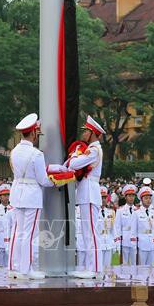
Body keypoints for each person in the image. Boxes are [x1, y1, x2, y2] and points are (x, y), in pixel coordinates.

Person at [8, 113, 54, 280]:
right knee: (29, 233)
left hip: (17, 192)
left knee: (17, 232)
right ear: (34, 133)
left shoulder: (14, 151)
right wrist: (58, 181)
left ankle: (13, 267)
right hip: (32, 195)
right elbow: (43, 180)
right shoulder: (36, 154)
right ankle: (26, 269)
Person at [65, 115, 106, 278]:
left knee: (90, 233)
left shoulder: (94, 150)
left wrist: (74, 153)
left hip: (89, 192)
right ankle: (92, 267)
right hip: (87, 191)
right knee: (88, 231)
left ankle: (95, 269)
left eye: (86, 131)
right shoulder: (93, 149)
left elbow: (74, 164)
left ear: (92, 133)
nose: (83, 134)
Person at [135, 186, 154, 266]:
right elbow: (133, 231)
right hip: (142, 243)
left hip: (152, 243)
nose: (148, 200)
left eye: (149, 198)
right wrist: (134, 245)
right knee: (141, 268)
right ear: (141, 200)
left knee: (151, 268)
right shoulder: (136, 213)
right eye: (146, 198)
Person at [115, 184, 138, 265]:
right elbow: (117, 227)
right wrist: (117, 242)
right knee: (123, 265)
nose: (131, 198)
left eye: (133, 196)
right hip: (124, 240)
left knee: (134, 264)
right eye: (129, 196)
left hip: (135, 241)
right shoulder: (120, 210)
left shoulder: (138, 210)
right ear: (125, 197)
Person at [98, 186, 117, 270]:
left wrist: (115, 243)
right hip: (98, 242)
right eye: (101, 197)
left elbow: (114, 229)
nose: (103, 199)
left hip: (108, 242)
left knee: (108, 268)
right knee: (99, 267)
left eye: (105, 197)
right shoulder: (93, 212)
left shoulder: (111, 212)